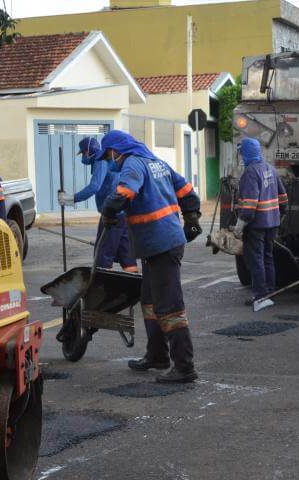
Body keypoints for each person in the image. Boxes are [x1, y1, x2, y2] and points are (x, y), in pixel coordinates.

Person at [99, 129, 201, 384]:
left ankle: (185, 366)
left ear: (117, 150)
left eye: (108, 154)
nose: (109, 159)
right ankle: (157, 355)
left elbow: (125, 191)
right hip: (157, 244)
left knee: (169, 306)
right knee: (150, 301)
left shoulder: (132, 163)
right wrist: (191, 217)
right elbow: (187, 190)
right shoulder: (157, 162)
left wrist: (109, 210)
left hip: (162, 244)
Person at [57, 136, 137, 273]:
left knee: (102, 256)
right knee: (126, 255)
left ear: (89, 151)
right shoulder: (107, 161)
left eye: (83, 153)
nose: (83, 157)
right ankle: (135, 288)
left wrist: (70, 199)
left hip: (112, 215)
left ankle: (103, 289)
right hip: (122, 214)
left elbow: (94, 187)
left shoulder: (100, 161)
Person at [232, 138, 288, 307]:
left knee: (256, 260)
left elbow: (249, 205)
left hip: (256, 224)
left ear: (247, 153)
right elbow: (283, 198)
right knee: (268, 257)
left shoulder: (250, 172)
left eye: (242, 153)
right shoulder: (271, 169)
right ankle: (270, 291)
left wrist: (239, 226)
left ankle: (260, 296)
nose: (241, 156)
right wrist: (279, 216)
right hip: (272, 223)